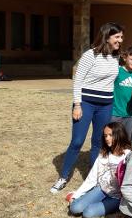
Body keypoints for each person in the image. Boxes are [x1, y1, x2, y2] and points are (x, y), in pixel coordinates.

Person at [51, 22, 124, 193]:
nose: (121, 40)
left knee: (99, 142)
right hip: (86, 103)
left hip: (106, 104)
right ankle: (63, 177)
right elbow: (78, 80)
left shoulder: (116, 56)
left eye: (121, 37)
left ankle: (93, 179)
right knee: (77, 141)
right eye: (117, 37)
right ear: (107, 37)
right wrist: (77, 105)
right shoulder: (90, 55)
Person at [67, 122, 131, 218]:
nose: (107, 138)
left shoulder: (129, 155)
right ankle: (80, 198)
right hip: (101, 190)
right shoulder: (103, 154)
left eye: (110, 135)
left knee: (87, 213)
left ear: (119, 135)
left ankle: (108, 206)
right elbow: (91, 178)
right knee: (75, 208)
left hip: (117, 197)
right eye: (105, 135)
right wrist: (76, 195)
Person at [111, 46, 132, 143]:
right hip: (115, 113)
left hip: (130, 114)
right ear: (125, 58)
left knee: (127, 141)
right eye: (131, 59)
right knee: (113, 139)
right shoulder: (117, 71)